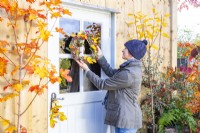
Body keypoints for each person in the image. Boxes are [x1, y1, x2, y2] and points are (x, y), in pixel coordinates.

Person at [76, 39, 148, 133]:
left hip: (126, 120)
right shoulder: (130, 68)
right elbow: (111, 72)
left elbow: (102, 84)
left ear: (132, 53)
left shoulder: (128, 73)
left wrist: (87, 70)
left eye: (125, 48)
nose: (122, 50)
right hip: (124, 118)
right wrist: (100, 56)